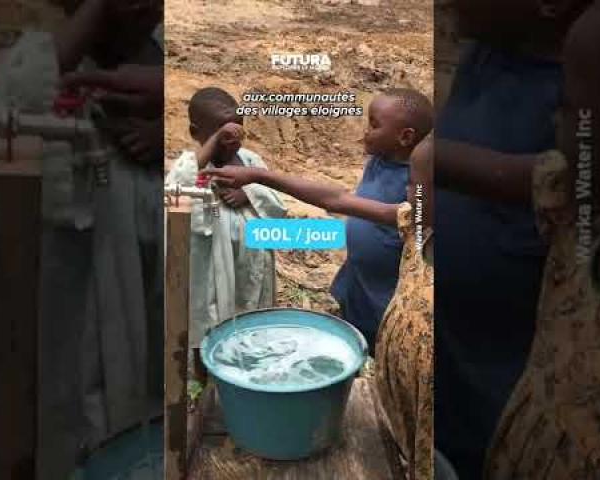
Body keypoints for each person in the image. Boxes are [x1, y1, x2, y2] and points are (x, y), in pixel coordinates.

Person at [434, 1, 600, 476]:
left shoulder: (584, 169)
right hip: (461, 405)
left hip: (499, 417)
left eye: (571, 111)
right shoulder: (492, 48)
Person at [0, 1, 164, 477]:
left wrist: (163, 132)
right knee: (66, 399)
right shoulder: (49, 61)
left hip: (143, 279)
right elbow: (6, 110)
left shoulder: (166, 58)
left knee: (138, 401)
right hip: (70, 286)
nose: (145, 11)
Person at [206, 135, 434, 479]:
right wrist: (259, 177)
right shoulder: (414, 221)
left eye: (415, 185)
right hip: (403, 399)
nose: (407, 192)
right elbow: (337, 198)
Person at [165, 87, 286, 345]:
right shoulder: (191, 167)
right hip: (213, 269)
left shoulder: (250, 161)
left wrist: (249, 193)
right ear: (196, 133)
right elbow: (179, 190)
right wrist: (217, 139)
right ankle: (206, 378)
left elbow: (277, 204)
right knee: (210, 326)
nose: (231, 142)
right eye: (221, 135)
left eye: (236, 134)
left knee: (253, 319)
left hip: (252, 263)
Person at [329, 88, 433, 354]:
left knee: (381, 350)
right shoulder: (378, 160)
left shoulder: (417, 184)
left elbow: (338, 200)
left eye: (374, 125)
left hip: (384, 297)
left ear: (405, 137)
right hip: (356, 283)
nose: (365, 131)